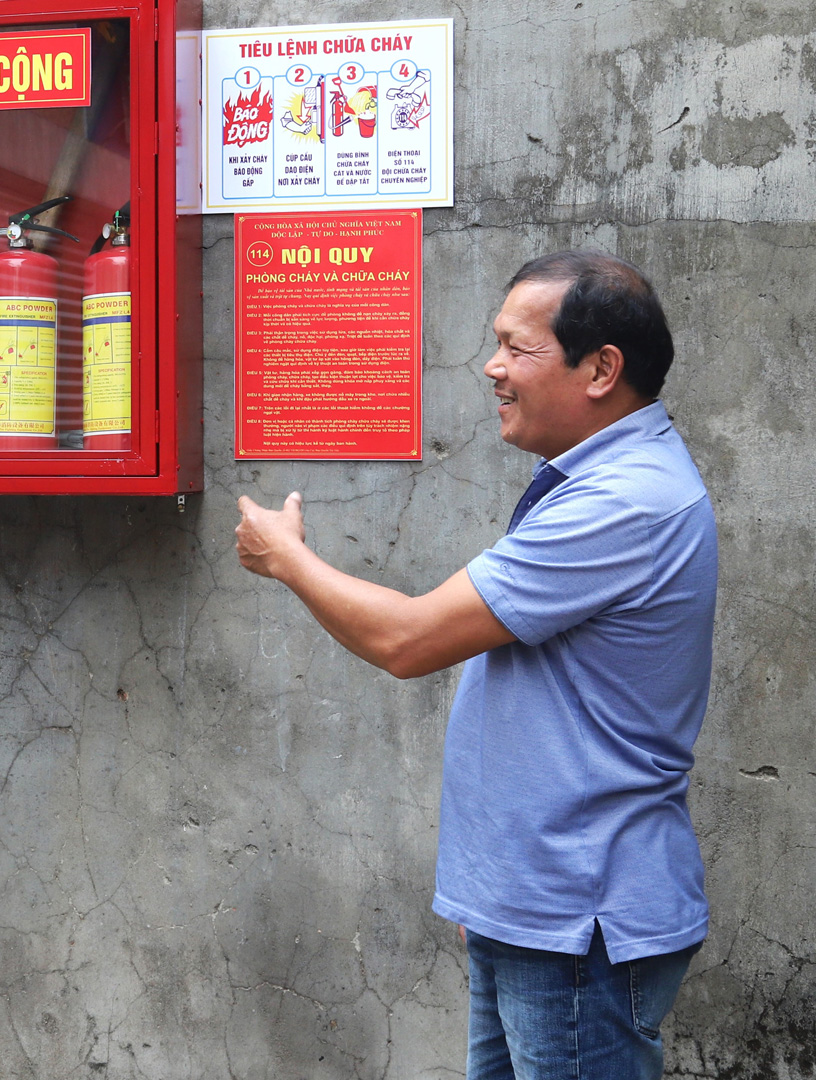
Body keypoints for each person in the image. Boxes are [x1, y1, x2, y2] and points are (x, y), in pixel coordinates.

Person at [235, 251, 716, 1080]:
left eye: (516, 349)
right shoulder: (590, 480)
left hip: (576, 924)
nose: (491, 368)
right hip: (534, 911)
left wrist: (288, 560)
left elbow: (410, 640)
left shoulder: (621, 502)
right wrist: (495, 896)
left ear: (602, 368)